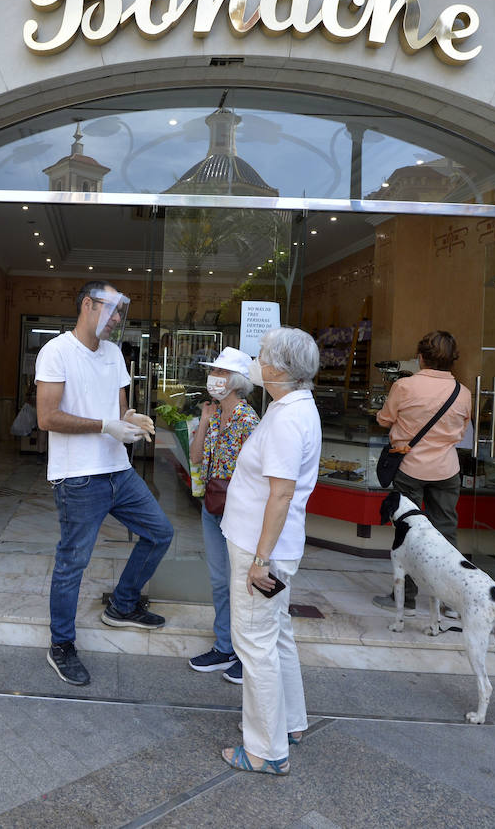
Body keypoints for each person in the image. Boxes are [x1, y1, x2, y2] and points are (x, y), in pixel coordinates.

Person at [35, 281, 174, 687]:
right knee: (72, 563)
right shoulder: (56, 352)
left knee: (159, 532)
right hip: (77, 478)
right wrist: (104, 425)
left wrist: (131, 420)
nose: (116, 320)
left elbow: (119, 410)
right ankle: (61, 645)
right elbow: (47, 418)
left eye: (119, 312)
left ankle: (124, 604)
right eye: (111, 311)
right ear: (86, 305)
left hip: (118, 471)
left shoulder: (113, 354)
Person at [220, 327, 321, 776]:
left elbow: (280, 495)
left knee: (255, 643)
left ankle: (265, 750)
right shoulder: (294, 408)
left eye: (262, 355)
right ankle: (292, 724)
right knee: (276, 634)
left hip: (262, 550)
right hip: (273, 546)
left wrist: (260, 561)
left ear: (279, 368)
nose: (256, 361)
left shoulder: (285, 418)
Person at [371, 330, 472, 615]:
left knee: (408, 532)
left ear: (420, 358)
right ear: (453, 360)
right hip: (446, 469)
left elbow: (385, 418)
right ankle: (452, 602)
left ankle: (405, 597)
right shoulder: (463, 393)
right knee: (447, 531)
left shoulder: (404, 387)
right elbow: (461, 432)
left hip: (410, 466)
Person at [186, 346, 258, 686]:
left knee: (242, 582)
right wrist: (202, 419)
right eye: (213, 373)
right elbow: (197, 458)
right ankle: (224, 645)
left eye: (221, 373)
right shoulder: (214, 416)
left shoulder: (250, 421)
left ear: (236, 381)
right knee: (219, 580)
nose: (214, 378)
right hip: (212, 507)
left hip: (240, 511)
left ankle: (246, 654)